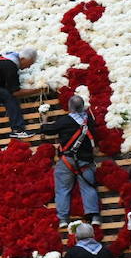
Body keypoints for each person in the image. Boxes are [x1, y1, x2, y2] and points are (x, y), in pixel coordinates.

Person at [43, 94, 102, 227]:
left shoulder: (64, 121)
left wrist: (44, 120)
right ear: (83, 107)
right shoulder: (90, 122)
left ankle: (63, 219)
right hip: (85, 162)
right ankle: (94, 217)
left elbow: (47, 130)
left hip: (67, 161)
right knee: (89, 188)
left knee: (62, 189)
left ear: (69, 107)